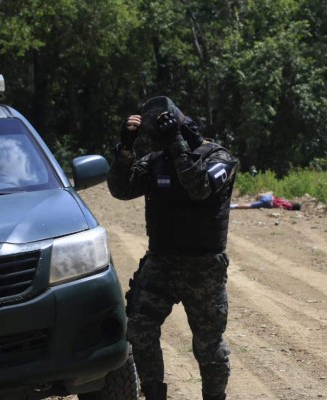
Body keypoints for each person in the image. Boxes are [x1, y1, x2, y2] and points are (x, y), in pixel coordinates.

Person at [107, 96, 238, 400]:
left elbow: (199, 187)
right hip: (162, 262)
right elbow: (121, 189)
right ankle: (154, 394)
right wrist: (125, 149)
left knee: (208, 343)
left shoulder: (219, 158)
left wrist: (177, 143)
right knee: (140, 328)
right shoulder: (156, 160)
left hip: (202, 266)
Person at [230, 191, 302, 211]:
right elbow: (281, 207)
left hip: (269, 197)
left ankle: (260, 195)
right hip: (269, 202)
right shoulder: (289, 206)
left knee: (270, 192)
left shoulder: (287, 202)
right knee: (251, 205)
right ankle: (233, 206)